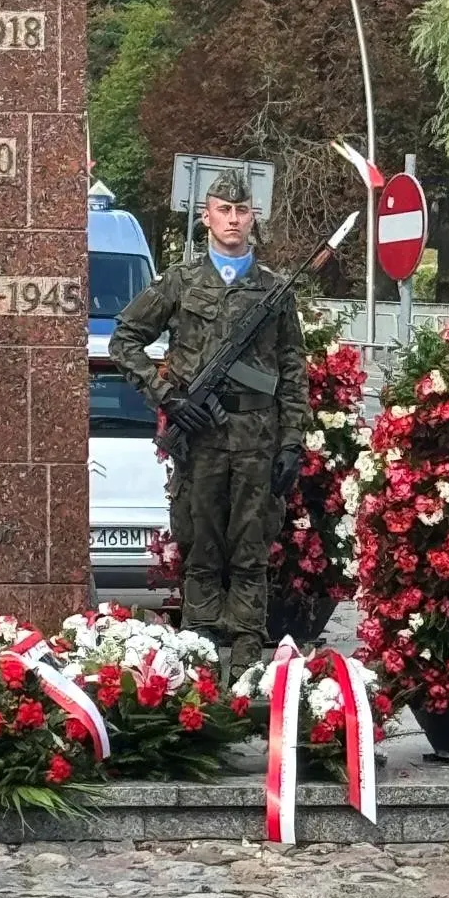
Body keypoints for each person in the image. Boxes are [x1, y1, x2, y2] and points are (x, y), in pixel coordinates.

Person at [109, 169, 310, 678]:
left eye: (242, 211)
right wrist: (169, 399)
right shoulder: (180, 282)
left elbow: (292, 371)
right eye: (224, 210)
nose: (234, 220)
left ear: (253, 218)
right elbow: (124, 340)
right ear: (206, 217)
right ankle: (198, 661)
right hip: (198, 438)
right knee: (200, 549)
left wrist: (292, 442)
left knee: (250, 551)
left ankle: (246, 664)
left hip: (256, 439)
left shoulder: (273, 290)